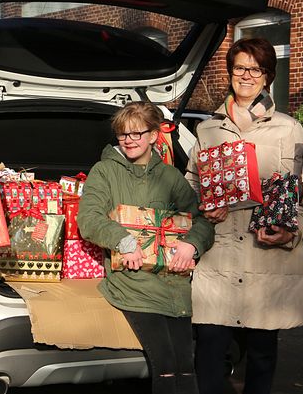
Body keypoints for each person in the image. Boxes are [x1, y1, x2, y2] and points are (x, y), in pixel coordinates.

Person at [186, 38, 303, 394]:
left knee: (261, 355)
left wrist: (292, 233)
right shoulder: (208, 129)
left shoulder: (289, 129)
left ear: (268, 76)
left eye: (255, 69)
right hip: (219, 254)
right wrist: (202, 204)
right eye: (239, 68)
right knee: (209, 350)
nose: (246, 76)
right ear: (230, 73)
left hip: (266, 254)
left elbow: (299, 196)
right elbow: (192, 183)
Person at [78, 101, 215, 394]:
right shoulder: (104, 172)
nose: (128, 140)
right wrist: (123, 241)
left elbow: (201, 220)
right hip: (133, 285)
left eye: (136, 134)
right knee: (166, 365)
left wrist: (191, 245)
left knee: (185, 367)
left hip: (174, 287)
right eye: (122, 134)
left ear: (154, 135)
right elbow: (88, 218)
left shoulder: (170, 176)